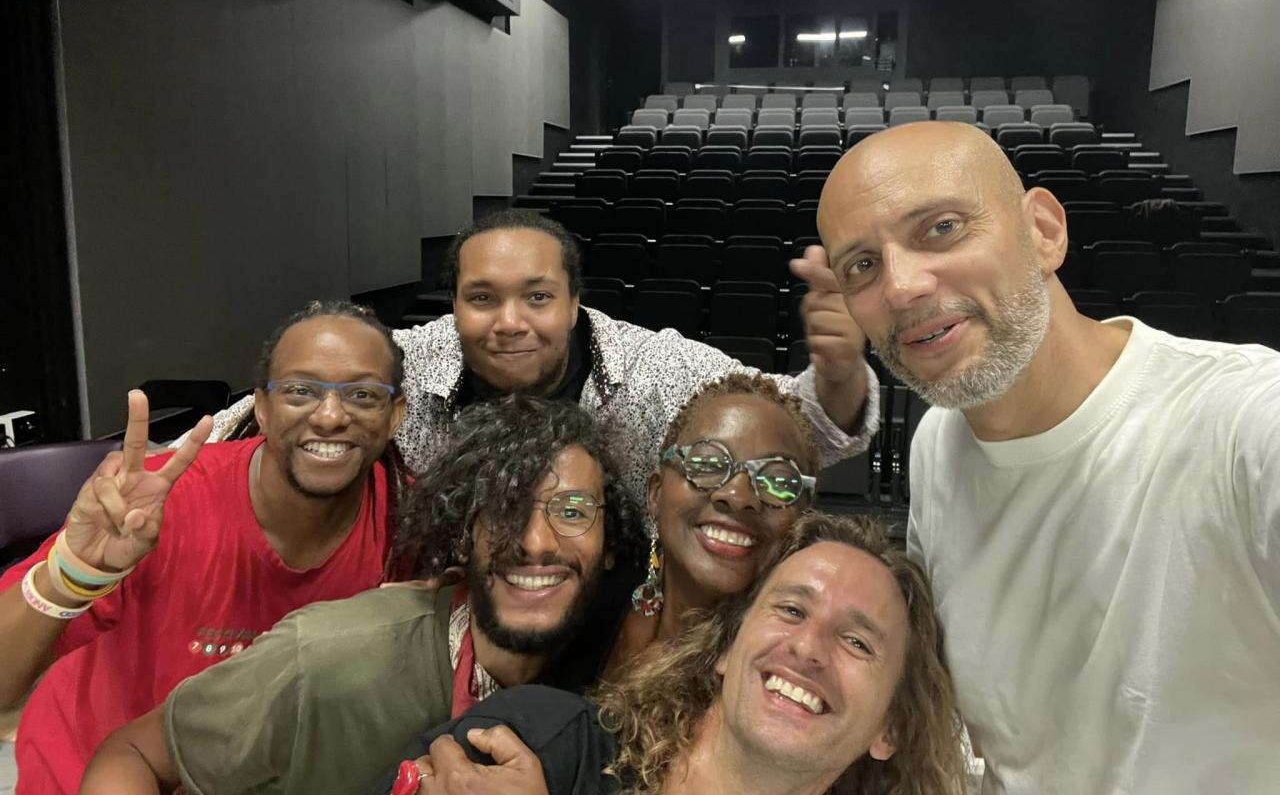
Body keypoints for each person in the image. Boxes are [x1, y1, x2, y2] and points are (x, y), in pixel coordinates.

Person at [816, 121, 1280, 794]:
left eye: (941, 228)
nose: (901, 287)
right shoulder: (937, 443)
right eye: (862, 266)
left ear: (1044, 231)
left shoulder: (1246, 424)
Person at [81, 395, 645, 795]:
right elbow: (133, 755)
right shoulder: (329, 657)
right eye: (503, 509)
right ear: (464, 532)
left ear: (610, 544)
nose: (535, 542)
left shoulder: (609, 677)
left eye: (574, 512)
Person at [0, 300, 410, 795]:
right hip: (92, 774)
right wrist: (76, 571)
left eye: (363, 395)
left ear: (395, 415)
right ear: (261, 408)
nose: (329, 416)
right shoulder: (156, 507)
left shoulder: (411, 524)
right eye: (300, 391)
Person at [200, 209, 880, 500]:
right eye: (482, 299)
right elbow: (268, 411)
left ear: (575, 302)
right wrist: (164, 473)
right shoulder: (408, 360)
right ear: (453, 304)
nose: (509, 323)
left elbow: (804, 431)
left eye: (537, 297)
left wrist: (840, 372)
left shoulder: (655, 369)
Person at [387, 511, 968, 795]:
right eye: (791, 610)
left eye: (857, 642)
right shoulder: (540, 744)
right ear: (727, 649)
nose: (808, 648)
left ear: (890, 728)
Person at [604, 371, 818, 676]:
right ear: (656, 493)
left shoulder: (786, 672)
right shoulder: (596, 604)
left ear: (804, 517)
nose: (738, 496)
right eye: (707, 464)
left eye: (777, 481)